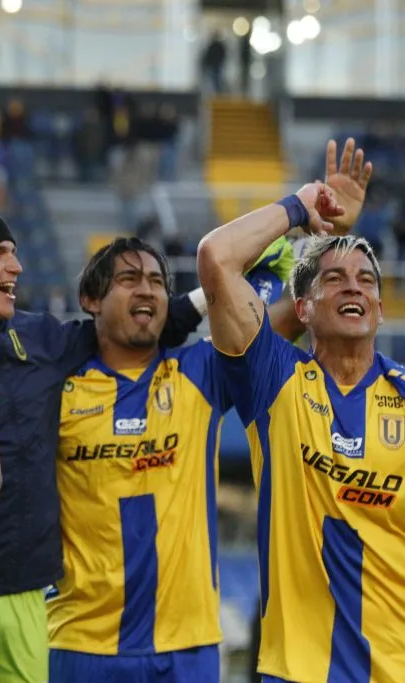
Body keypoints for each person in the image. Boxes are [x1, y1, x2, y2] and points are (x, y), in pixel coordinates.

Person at [48, 138, 373, 683]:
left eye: (157, 281)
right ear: (90, 300)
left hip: (189, 648)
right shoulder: (57, 388)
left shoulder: (199, 374)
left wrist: (326, 241)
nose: (147, 291)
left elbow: (284, 318)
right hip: (81, 643)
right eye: (129, 280)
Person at [0, 185, 205, 682]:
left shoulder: (41, 337)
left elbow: (137, 327)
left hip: (31, 602)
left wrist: (220, 284)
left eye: (16, 254)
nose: (16, 267)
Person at [197, 141, 405, 682]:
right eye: (334, 279)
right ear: (304, 307)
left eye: (366, 281)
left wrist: (334, 250)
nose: (354, 286)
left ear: (381, 310)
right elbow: (217, 260)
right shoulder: (277, 379)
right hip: (296, 672)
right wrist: (300, 209)